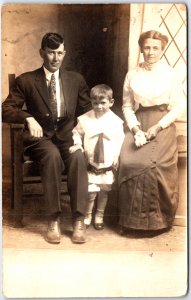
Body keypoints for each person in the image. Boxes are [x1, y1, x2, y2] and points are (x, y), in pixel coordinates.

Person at [2, 32, 92, 244]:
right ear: (42, 52)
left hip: (68, 137)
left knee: (78, 158)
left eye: (60, 53)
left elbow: (88, 111)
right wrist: (27, 117)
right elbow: (5, 109)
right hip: (40, 139)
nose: (55, 58)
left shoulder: (75, 80)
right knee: (51, 156)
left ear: (65, 53)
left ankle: (79, 219)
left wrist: (85, 131)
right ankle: (53, 219)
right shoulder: (26, 80)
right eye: (51, 53)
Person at [118, 30, 186, 235]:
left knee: (151, 164)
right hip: (139, 122)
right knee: (128, 161)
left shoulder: (170, 74)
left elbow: (179, 105)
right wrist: (135, 128)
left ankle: (156, 223)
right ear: (141, 49)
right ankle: (130, 221)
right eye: (147, 47)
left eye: (155, 48)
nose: (150, 52)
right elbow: (127, 106)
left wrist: (159, 126)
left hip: (163, 123)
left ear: (162, 49)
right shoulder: (133, 74)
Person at [69, 84, 124, 230]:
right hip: (91, 161)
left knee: (104, 191)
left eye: (103, 103)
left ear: (111, 102)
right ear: (91, 102)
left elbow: (119, 139)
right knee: (91, 192)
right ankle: (87, 216)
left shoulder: (116, 121)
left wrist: (117, 156)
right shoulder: (85, 119)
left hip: (107, 162)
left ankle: (99, 215)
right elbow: (76, 133)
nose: (99, 106)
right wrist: (78, 144)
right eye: (95, 103)